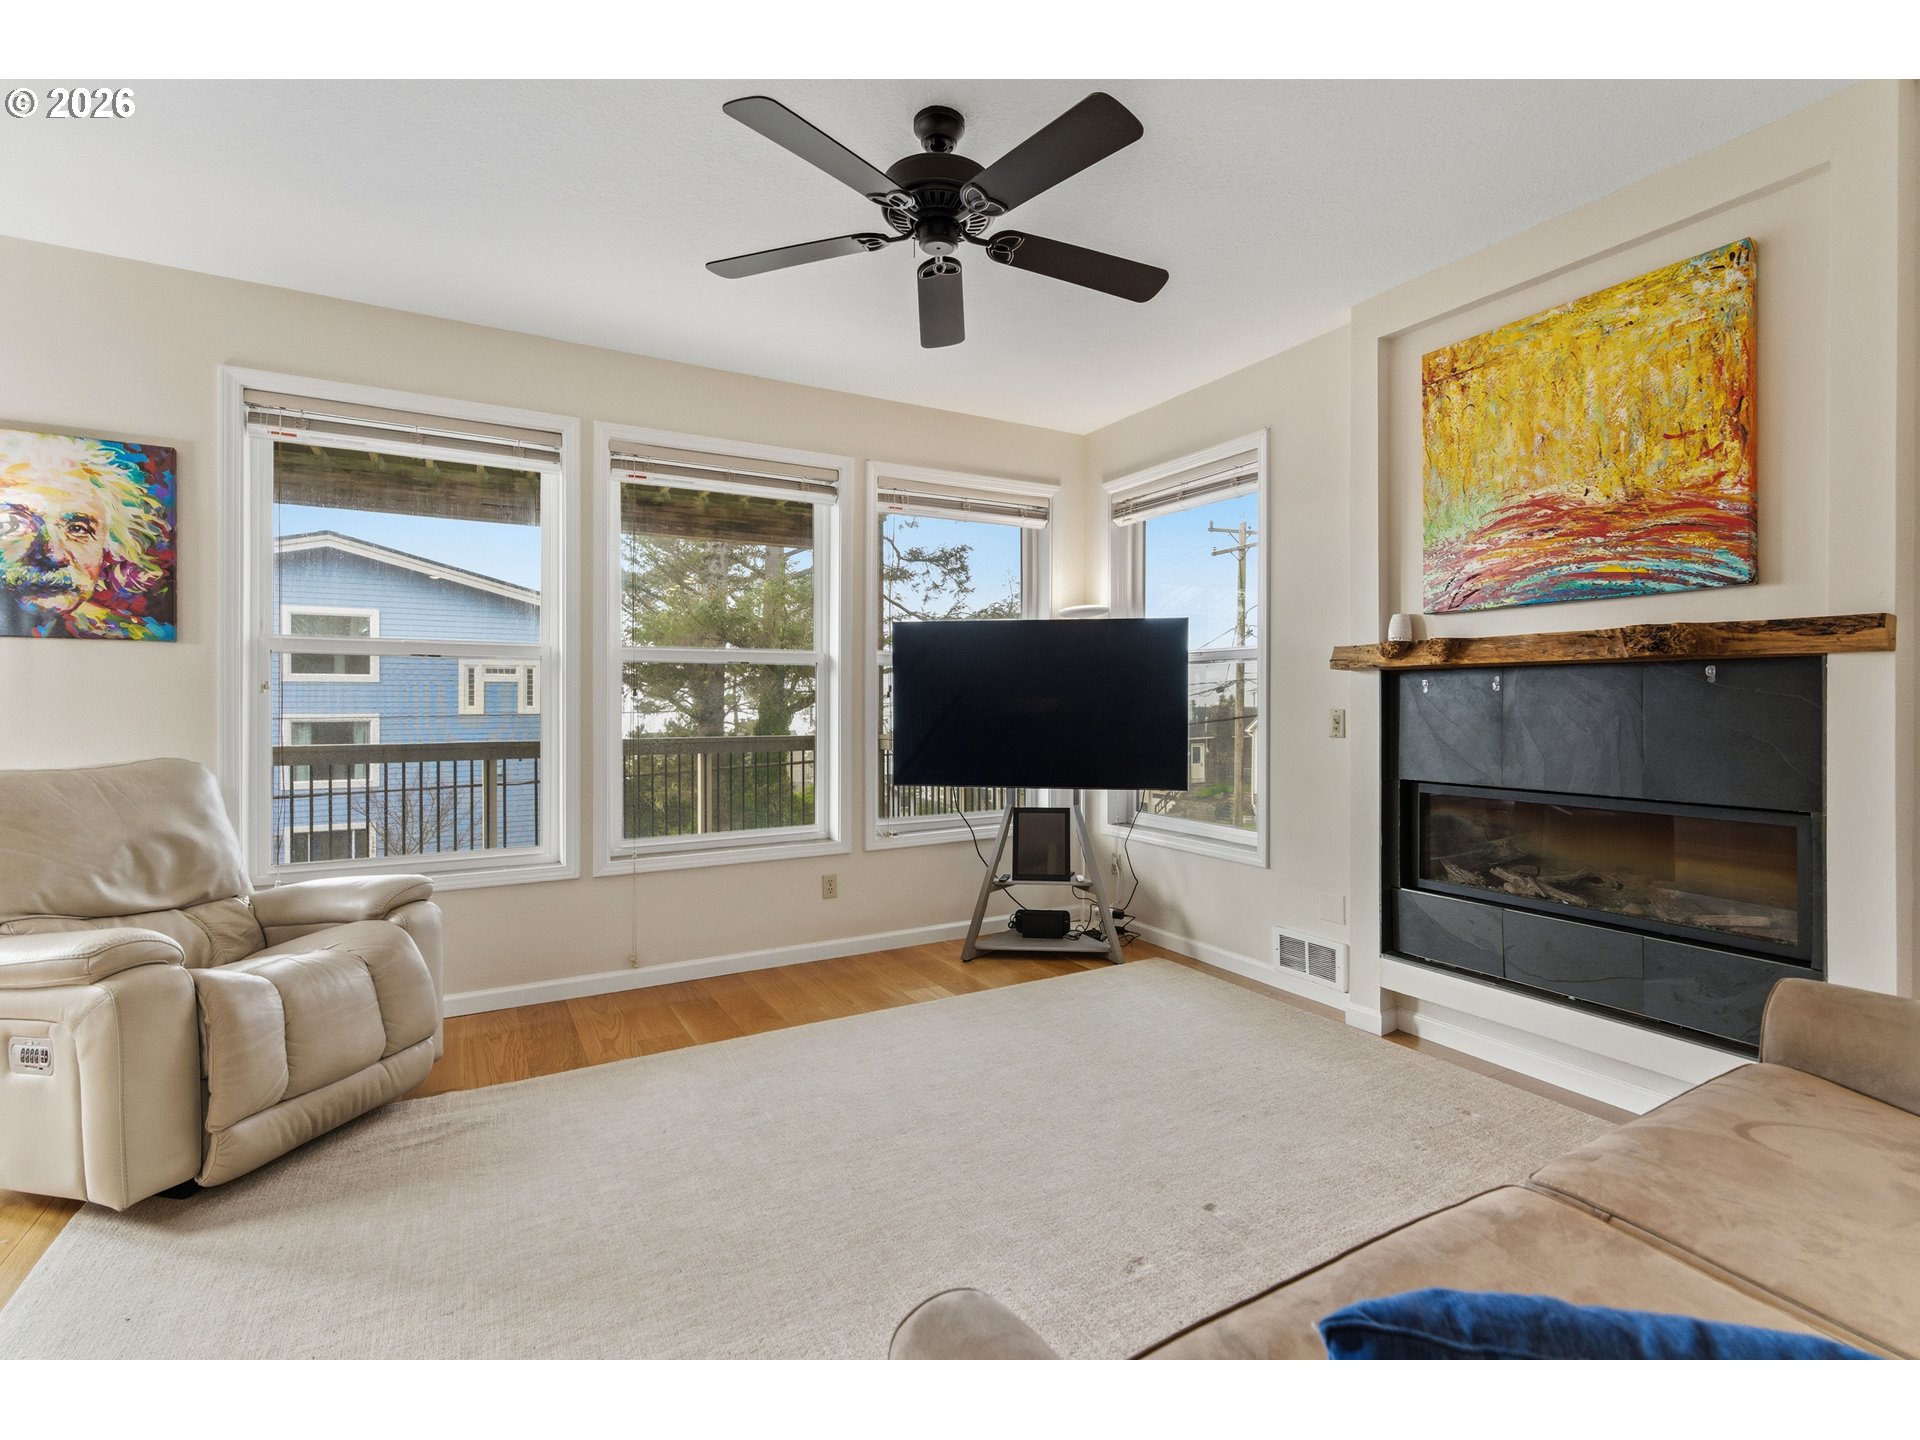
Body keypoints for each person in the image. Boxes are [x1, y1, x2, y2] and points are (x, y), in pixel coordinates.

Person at [0, 429, 176, 641]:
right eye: (14, 524)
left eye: (78, 529)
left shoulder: (129, 634)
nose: (54, 555)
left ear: (109, 544)